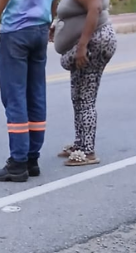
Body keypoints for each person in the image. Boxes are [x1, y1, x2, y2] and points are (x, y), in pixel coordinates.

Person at [0, 0, 53, 182]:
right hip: (41, 28)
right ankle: (31, 158)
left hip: (17, 30)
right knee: (36, 95)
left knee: (15, 97)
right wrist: (51, 19)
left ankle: (18, 163)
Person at [50, 0, 116, 166]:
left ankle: (87, 151)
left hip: (94, 41)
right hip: (92, 41)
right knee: (78, 96)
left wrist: (82, 45)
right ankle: (80, 144)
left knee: (85, 98)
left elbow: (95, 7)